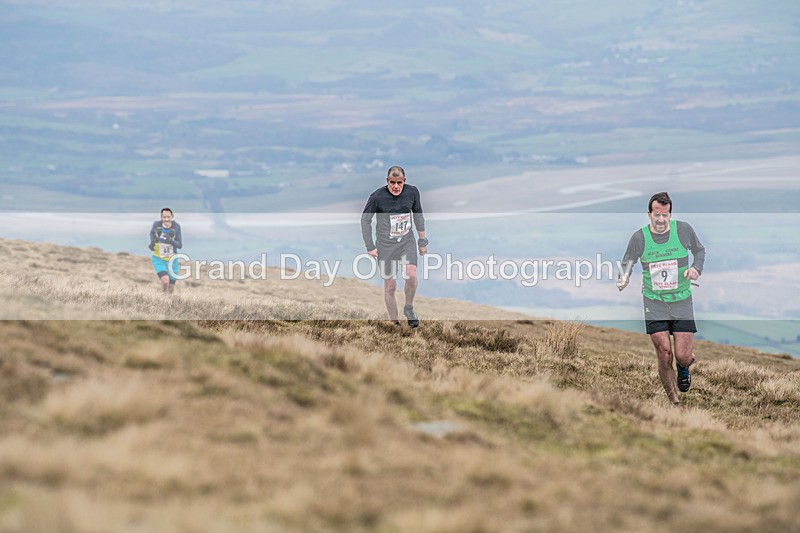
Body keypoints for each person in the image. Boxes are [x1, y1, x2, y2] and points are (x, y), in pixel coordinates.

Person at [617, 192, 706, 406]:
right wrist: (624, 276)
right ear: (649, 214)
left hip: (682, 300)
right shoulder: (639, 237)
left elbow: (699, 251)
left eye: (665, 215)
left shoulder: (683, 230)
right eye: (656, 215)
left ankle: (685, 365)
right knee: (665, 353)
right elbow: (628, 259)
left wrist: (695, 269)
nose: (660, 220)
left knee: (682, 356)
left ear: (670, 214)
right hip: (654, 301)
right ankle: (674, 401)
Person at [360, 166, 427, 327]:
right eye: (392, 183)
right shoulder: (377, 197)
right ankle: (394, 322)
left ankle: (409, 308)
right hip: (385, 245)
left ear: (404, 181)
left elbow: (418, 215)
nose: (396, 186)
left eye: (399, 183)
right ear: (387, 181)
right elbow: (365, 220)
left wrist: (422, 241)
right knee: (390, 286)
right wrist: (370, 246)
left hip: (406, 241)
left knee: (411, 275)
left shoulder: (412, 192)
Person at [149, 207, 183, 293]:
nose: (166, 219)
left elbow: (179, 245)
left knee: (171, 287)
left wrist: (171, 241)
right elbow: (152, 236)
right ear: (161, 217)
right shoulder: (156, 225)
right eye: (164, 217)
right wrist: (152, 243)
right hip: (159, 259)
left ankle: (168, 301)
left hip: (172, 260)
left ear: (172, 216)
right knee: (165, 281)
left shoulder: (176, 227)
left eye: (168, 217)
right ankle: (163, 299)